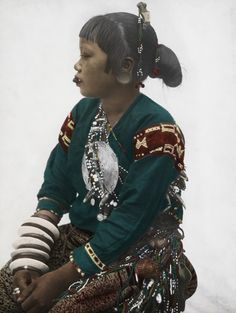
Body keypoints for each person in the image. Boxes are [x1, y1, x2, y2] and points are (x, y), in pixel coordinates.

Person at [0, 2, 197, 313]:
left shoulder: (159, 132)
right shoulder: (83, 114)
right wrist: (31, 258)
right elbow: (56, 186)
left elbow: (131, 219)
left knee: (62, 308)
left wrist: (62, 277)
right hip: (82, 240)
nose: (77, 64)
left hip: (136, 254)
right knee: (10, 291)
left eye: (87, 55)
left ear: (124, 66)